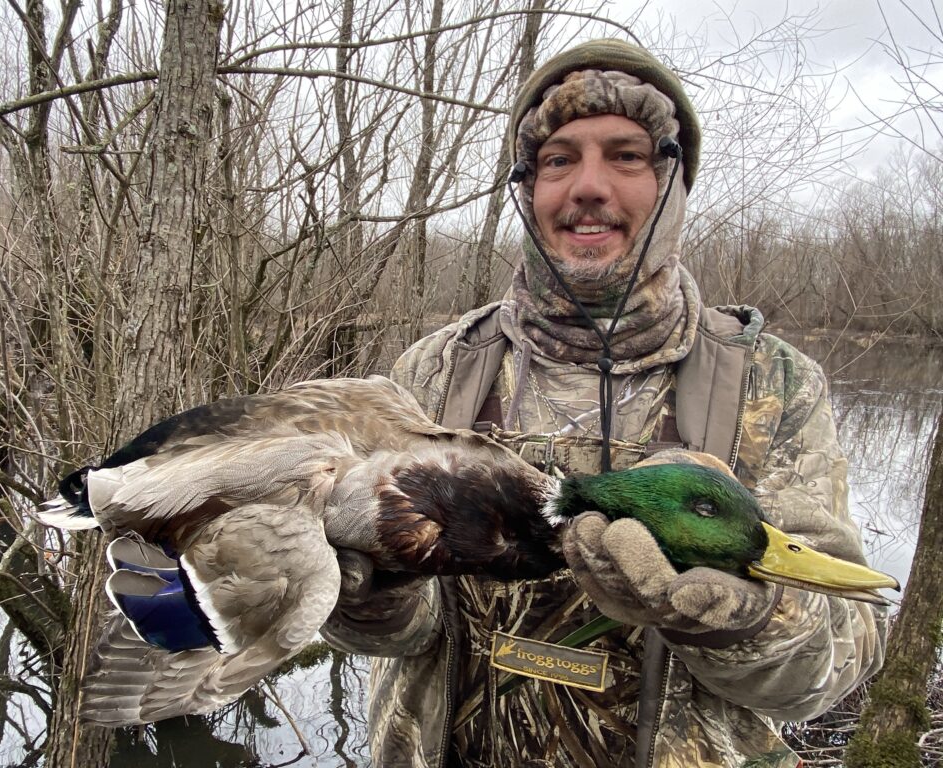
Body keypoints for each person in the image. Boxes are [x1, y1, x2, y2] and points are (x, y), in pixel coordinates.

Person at [321, 38, 888, 768]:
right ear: (527, 190)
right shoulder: (436, 371)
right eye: (559, 159)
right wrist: (365, 590)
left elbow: (834, 668)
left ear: (674, 183)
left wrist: (744, 618)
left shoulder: (771, 387)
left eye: (625, 155)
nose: (588, 185)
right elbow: (391, 639)